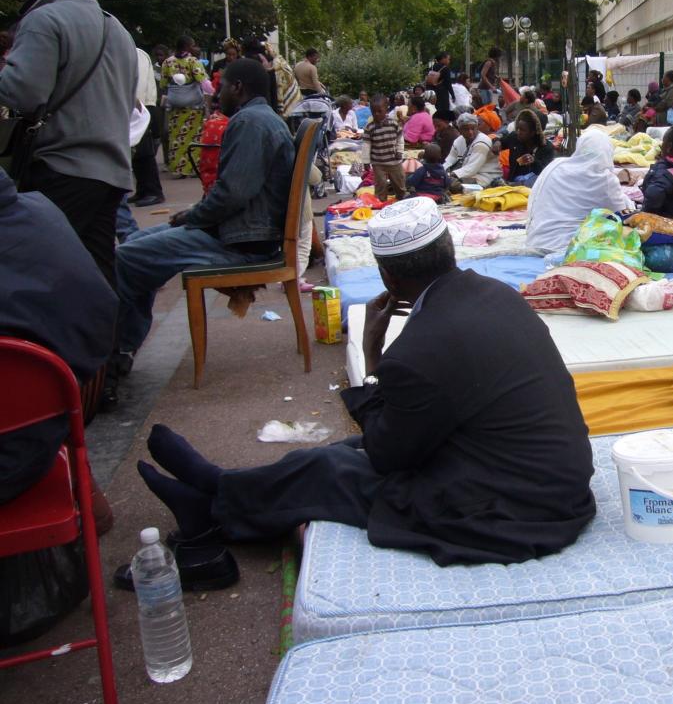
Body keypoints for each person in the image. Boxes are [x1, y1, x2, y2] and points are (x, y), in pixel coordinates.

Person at [132, 199, 597, 568]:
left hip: (520, 510)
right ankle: (218, 489)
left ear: (387, 274)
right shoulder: (496, 293)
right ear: (448, 252)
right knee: (335, 454)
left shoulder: (418, 350)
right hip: (549, 481)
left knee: (339, 472)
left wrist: (373, 358)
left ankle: (212, 507)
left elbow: (386, 454)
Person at [112, 59, 296, 380]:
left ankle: (119, 351)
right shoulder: (263, 119)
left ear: (238, 87)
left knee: (127, 257)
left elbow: (232, 194)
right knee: (136, 245)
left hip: (243, 242)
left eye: (222, 85)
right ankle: (124, 344)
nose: (216, 92)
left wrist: (193, 216)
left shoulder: (250, 122)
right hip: (245, 233)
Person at [0, 0, 137, 289]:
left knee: (34, 268)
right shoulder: (116, 27)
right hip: (113, 170)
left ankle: (45, 343)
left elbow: (23, 92)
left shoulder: (43, 18)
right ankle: (109, 343)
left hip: (63, 164)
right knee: (97, 267)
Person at [0, 167, 118, 504]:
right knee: (132, 257)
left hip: (17, 450)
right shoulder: (43, 212)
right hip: (62, 414)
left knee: (136, 258)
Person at [526, 133, 632, 255]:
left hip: (536, 240)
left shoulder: (556, 165)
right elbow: (622, 213)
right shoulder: (605, 179)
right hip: (571, 249)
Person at [160, 35, 208, 177]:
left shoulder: (167, 62)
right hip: (193, 108)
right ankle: (193, 168)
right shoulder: (193, 61)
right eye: (193, 45)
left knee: (176, 137)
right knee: (194, 137)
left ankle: (179, 169)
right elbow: (202, 81)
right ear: (187, 47)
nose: (195, 47)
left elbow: (163, 83)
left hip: (175, 107)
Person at [130, 47, 165, 207]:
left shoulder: (137, 54)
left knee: (144, 151)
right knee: (136, 152)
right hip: (135, 105)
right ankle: (143, 189)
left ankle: (153, 191)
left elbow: (139, 83)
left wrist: (136, 104)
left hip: (142, 105)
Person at [362, 94, 405, 200]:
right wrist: (366, 161)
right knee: (380, 184)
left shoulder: (394, 124)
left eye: (379, 111)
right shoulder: (370, 127)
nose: (376, 114)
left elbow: (400, 139)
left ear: (386, 109)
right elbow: (366, 145)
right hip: (378, 163)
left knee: (399, 182)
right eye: (373, 112)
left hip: (394, 160)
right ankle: (380, 201)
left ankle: (401, 198)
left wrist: (399, 151)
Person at [499, 109, 553, 186]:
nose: (518, 132)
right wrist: (497, 143)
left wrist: (533, 162)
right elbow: (501, 142)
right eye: (518, 128)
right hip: (512, 182)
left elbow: (545, 174)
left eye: (522, 130)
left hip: (533, 188)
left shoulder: (546, 147)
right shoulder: (515, 137)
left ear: (533, 132)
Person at [449, 115, 502, 187]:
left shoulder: (482, 141)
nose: (470, 132)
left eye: (473, 128)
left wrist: (451, 175)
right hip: (468, 174)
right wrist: (443, 172)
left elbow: (471, 169)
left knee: (454, 185)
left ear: (477, 127)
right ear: (460, 130)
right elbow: (449, 160)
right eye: (466, 129)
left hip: (486, 176)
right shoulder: (459, 141)